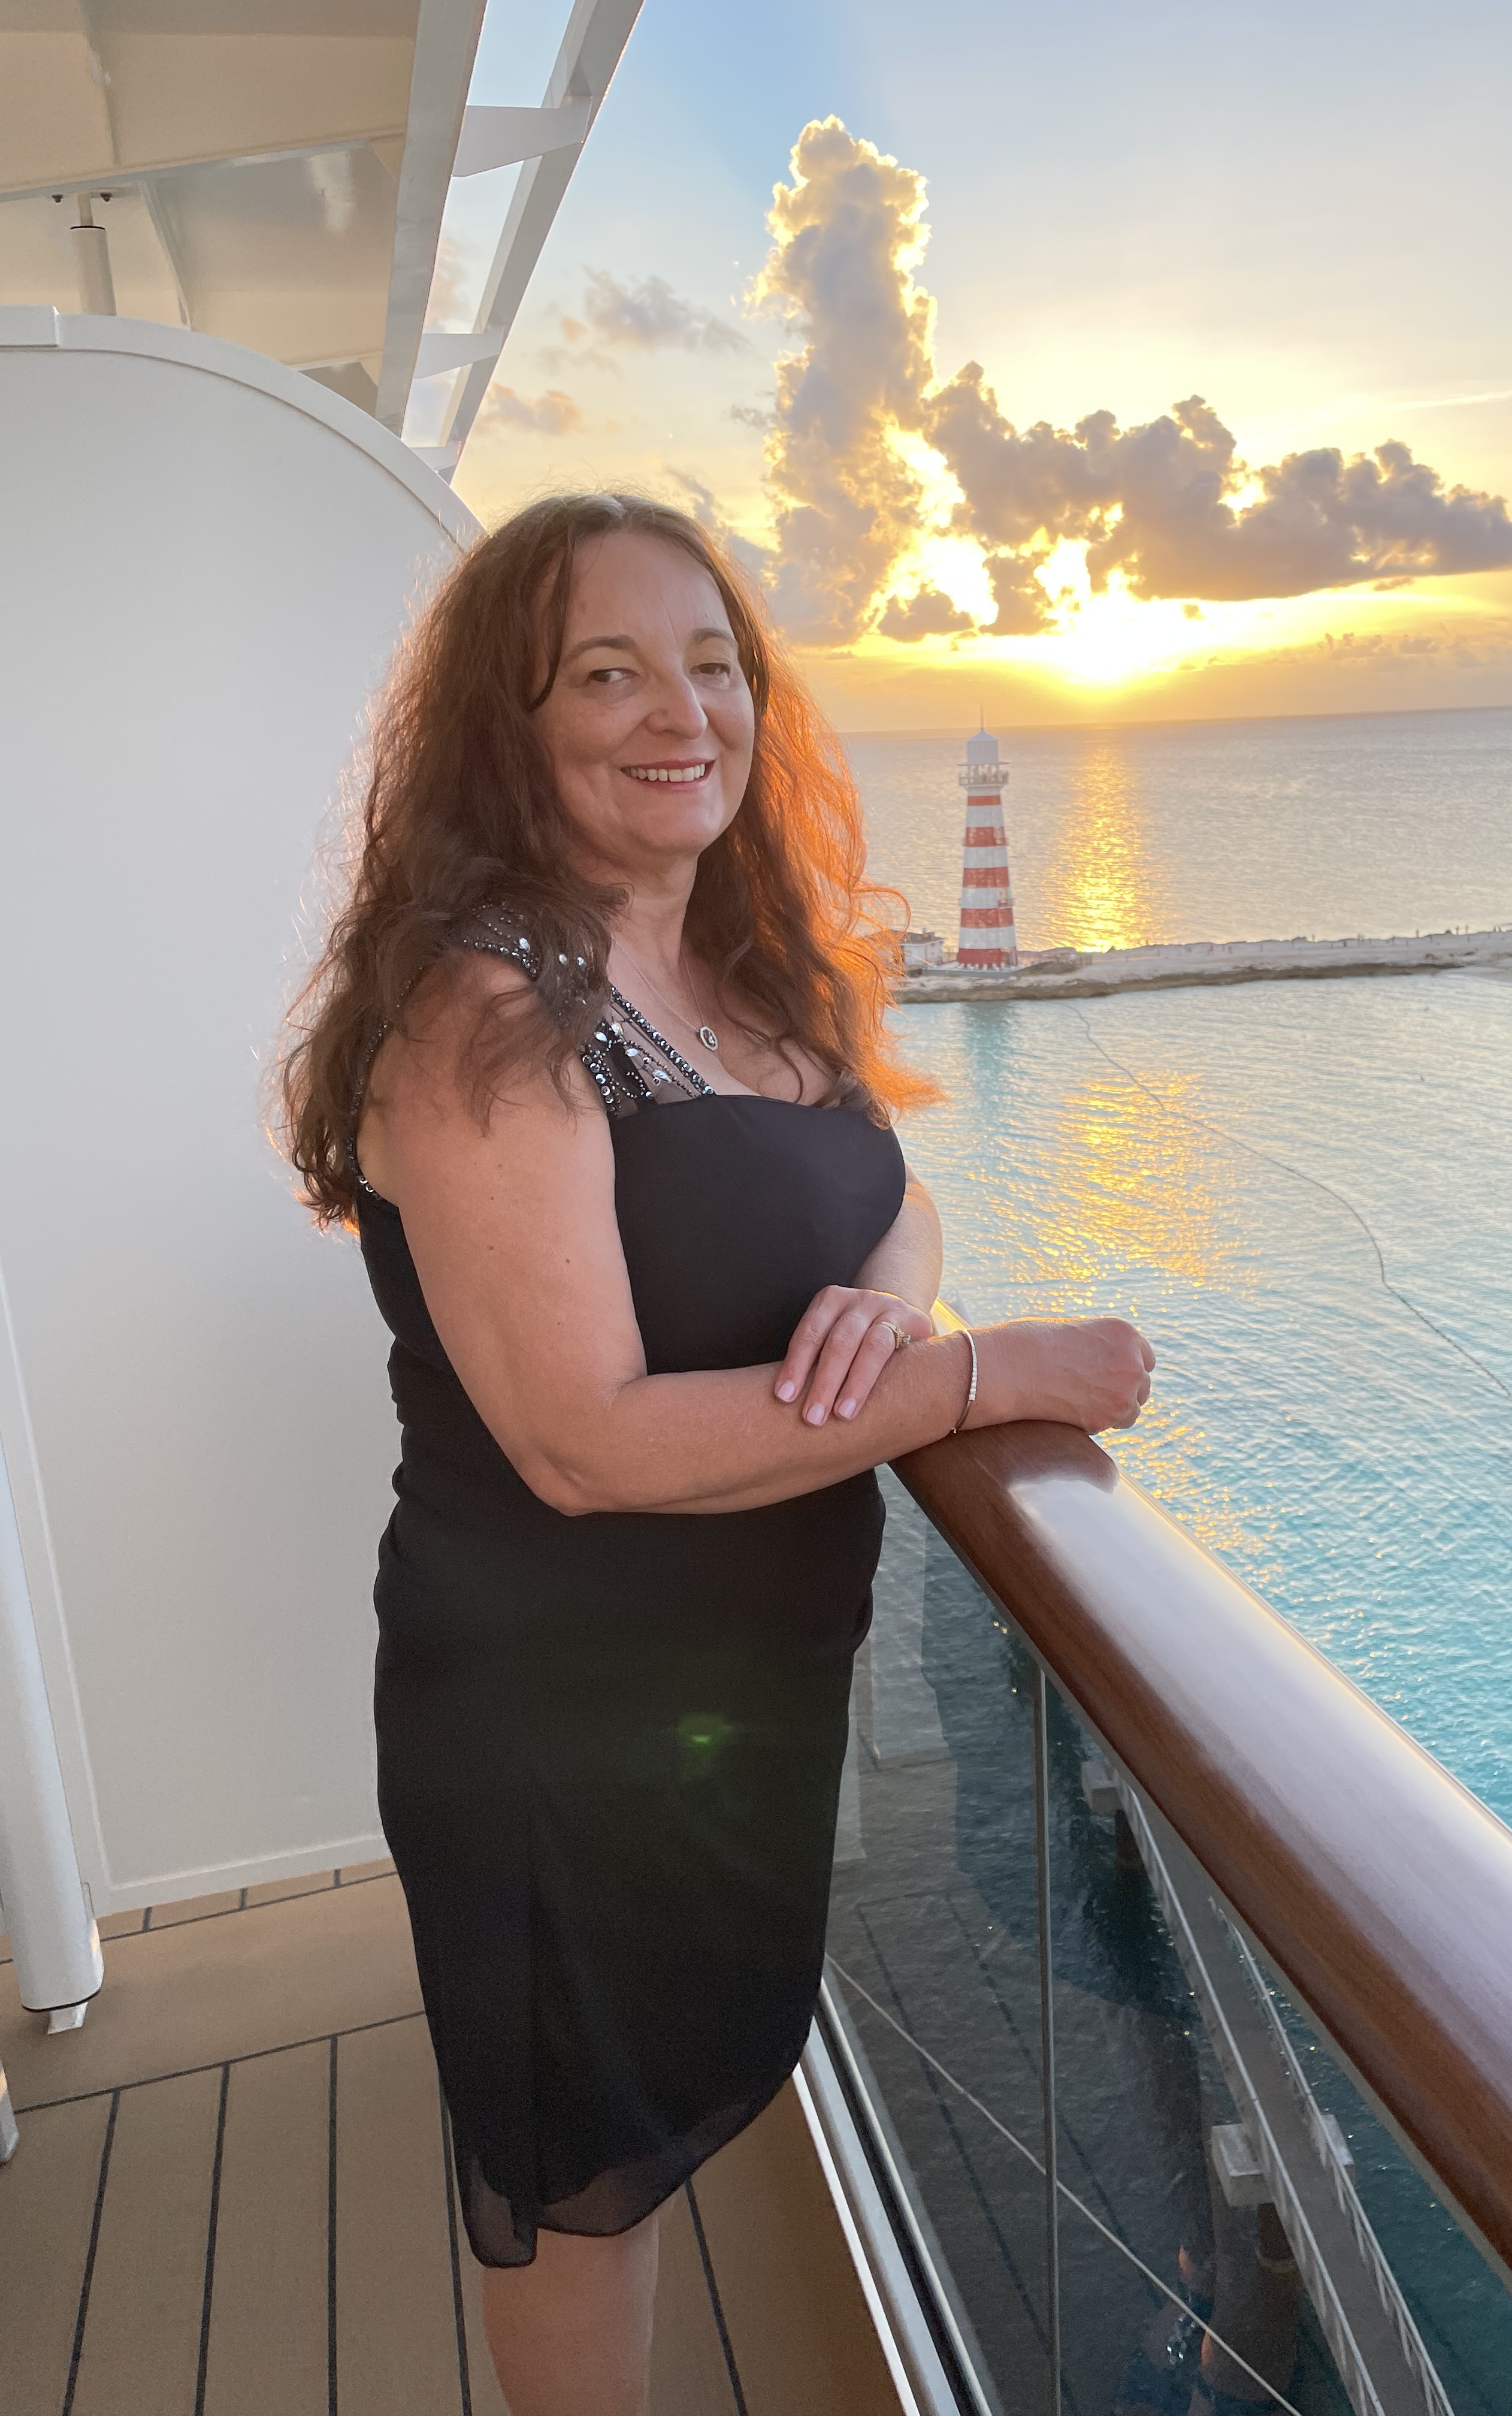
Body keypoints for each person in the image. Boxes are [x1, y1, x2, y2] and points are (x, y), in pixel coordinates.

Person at [279, 492, 1154, 2416]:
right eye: (609, 673)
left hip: (744, 1693)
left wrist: (890, 1305)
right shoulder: (487, 1012)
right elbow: (581, 1443)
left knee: (660, 2106)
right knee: (582, 2181)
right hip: (557, 1714)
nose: (683, 713)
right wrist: (979, 1375)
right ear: (510, 726)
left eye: (712, 664)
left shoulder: (747, 972)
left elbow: (890, 1192)